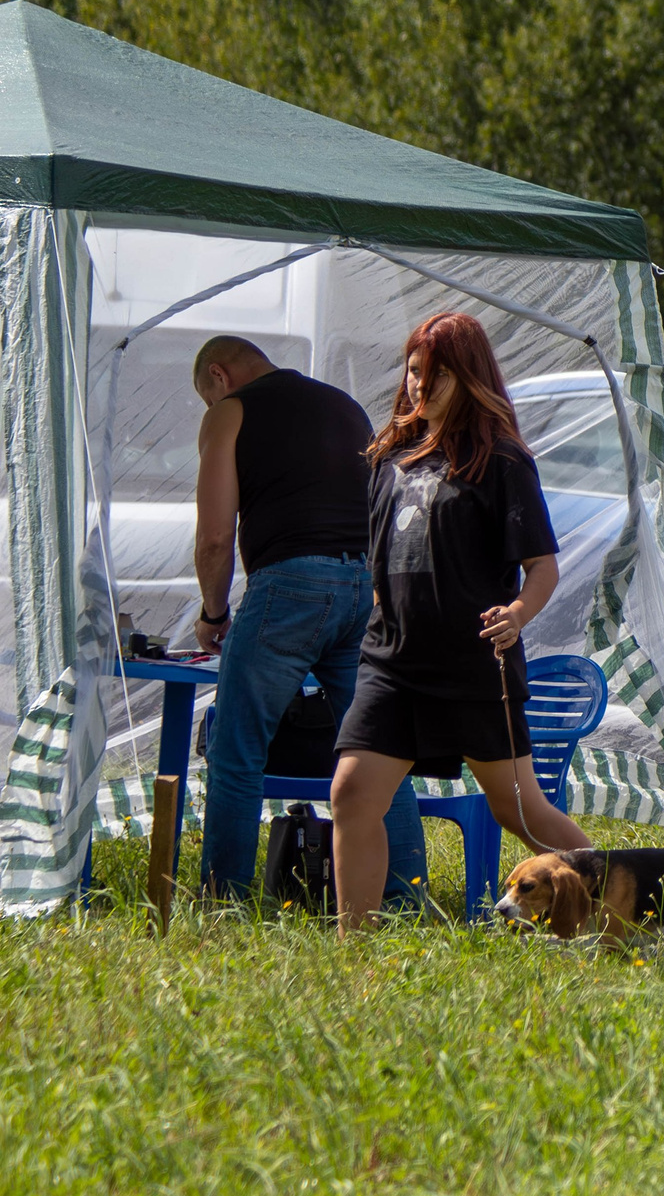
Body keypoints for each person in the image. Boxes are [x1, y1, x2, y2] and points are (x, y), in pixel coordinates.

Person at [330, 313, 592, 931]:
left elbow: (543, 567)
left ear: (469, 376)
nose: (420, 385)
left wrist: (520, 614)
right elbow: (381, 563)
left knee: (519, 811)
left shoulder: (501, 460)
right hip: (392, 665)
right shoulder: (389, 459)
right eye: (415, 371)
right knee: (351, 795)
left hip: (475, 664)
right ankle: (352, 947)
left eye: (437, 374)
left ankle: (613, 908)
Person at [189, 337, 427, 903]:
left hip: (289, 587)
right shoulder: (344, 404)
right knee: (378, 752)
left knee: (236, 750)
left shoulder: (231, 413)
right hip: (361, 591)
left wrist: (213, 612)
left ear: (219, 376)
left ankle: (225, 900)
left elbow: (216, 537)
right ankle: (406, 897)